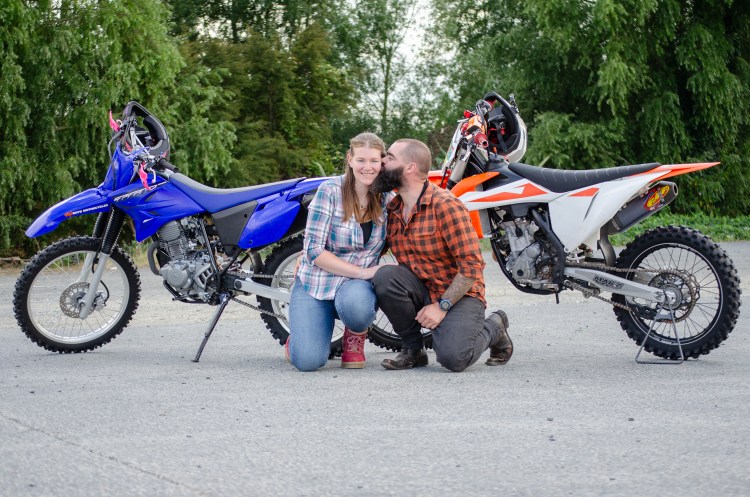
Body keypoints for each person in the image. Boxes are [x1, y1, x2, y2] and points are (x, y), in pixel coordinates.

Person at [370, 138, 513, 372]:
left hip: (459, 294)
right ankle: (413, 349)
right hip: (420, 288)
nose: (382, 161)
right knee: (386, 277)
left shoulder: (445, 205)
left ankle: (495, 326)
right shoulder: (393, 209)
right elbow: (370, 251)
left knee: (454, 358)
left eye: (390, 157)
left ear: (410, 168)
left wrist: (442, 306)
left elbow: (472, 266)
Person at [287, 132, 392, 371]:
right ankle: (303, 335)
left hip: (355, 288)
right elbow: (313, 249)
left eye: (374, 161)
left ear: (382, 162)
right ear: (350, 159)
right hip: (316, 280)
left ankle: (354, 334)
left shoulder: (387, 197)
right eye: (361, 160)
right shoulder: (330, 190)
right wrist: (363, 272)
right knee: (308, 362)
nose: (368, 167)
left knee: (357, 306)